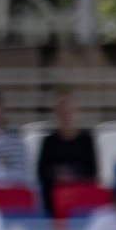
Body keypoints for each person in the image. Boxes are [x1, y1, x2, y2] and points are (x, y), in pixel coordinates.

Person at [35, 92, 99, 220]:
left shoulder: (86, 140)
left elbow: (93, 171)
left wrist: (72, 175)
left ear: (75, 112)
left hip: (79, 194)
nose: (65, 115)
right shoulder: (49, 141)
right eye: (61, 111)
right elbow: (41, 171)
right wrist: (57, 174)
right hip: (55, 195)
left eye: (68, 111)